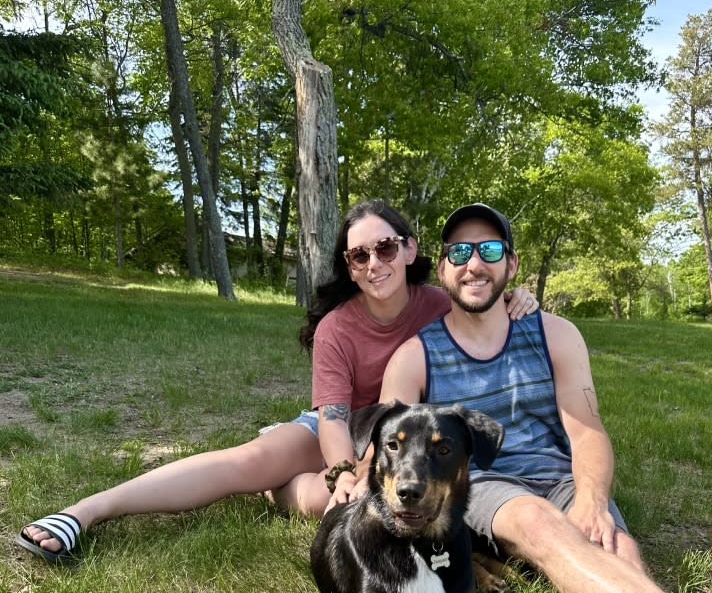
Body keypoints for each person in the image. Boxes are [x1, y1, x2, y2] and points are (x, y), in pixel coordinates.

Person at [378, 201, 712, 593]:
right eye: (460, 252)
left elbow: (587, 431)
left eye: (489, 250)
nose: (474, 264)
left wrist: (590, 496)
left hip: (560, 476)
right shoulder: (415, 356)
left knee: (616, 551)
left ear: (510, 265)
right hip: (487, 486)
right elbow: (389, 453)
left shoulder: (554, 334)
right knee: (539, 523)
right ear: (442, 269)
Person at [15, 199, 537, 563]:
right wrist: (345, 474)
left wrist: (519, 299)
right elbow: (334, 418)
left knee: (325, 506)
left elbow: (482, 298)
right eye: (359, 256)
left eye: (384, 248)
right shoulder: (337, 328)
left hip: (404, 444)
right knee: (245, 464)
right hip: (333, 433)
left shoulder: (437, 302)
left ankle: (277, 491)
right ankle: (86, 512)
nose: (374, 263)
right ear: (348, 267)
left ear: (408, 249)